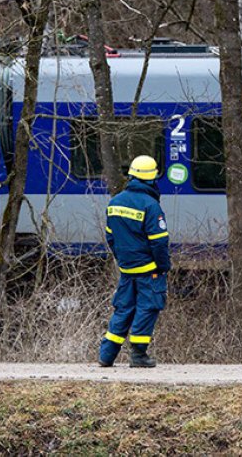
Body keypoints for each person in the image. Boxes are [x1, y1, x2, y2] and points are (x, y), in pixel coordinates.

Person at [99, 155, 170, 368]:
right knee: (148, 308)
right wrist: (163, 265)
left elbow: (111, 237)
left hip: (127, 269)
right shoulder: (151, 206)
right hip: (149, 270)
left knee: (123, 309)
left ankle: (107, 355)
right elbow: (159, 243)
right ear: (152, 178)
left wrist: (123, 259)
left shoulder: (115, 203)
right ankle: (138, 355)